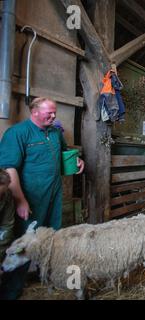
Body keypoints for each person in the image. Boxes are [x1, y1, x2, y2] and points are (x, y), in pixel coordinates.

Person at [0, 97, 85, 299]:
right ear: (35, 111)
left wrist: (77, 160)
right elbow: (9, 168)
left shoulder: (55, 132)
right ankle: (12, 289)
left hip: (54, 194)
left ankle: (46, 276)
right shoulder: (18, 133)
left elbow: (64, 152)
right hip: (31, 197)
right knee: (26, 242)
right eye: (49, 113)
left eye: (54, 112)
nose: (54, 116)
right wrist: (20, 200)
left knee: (51, 237)